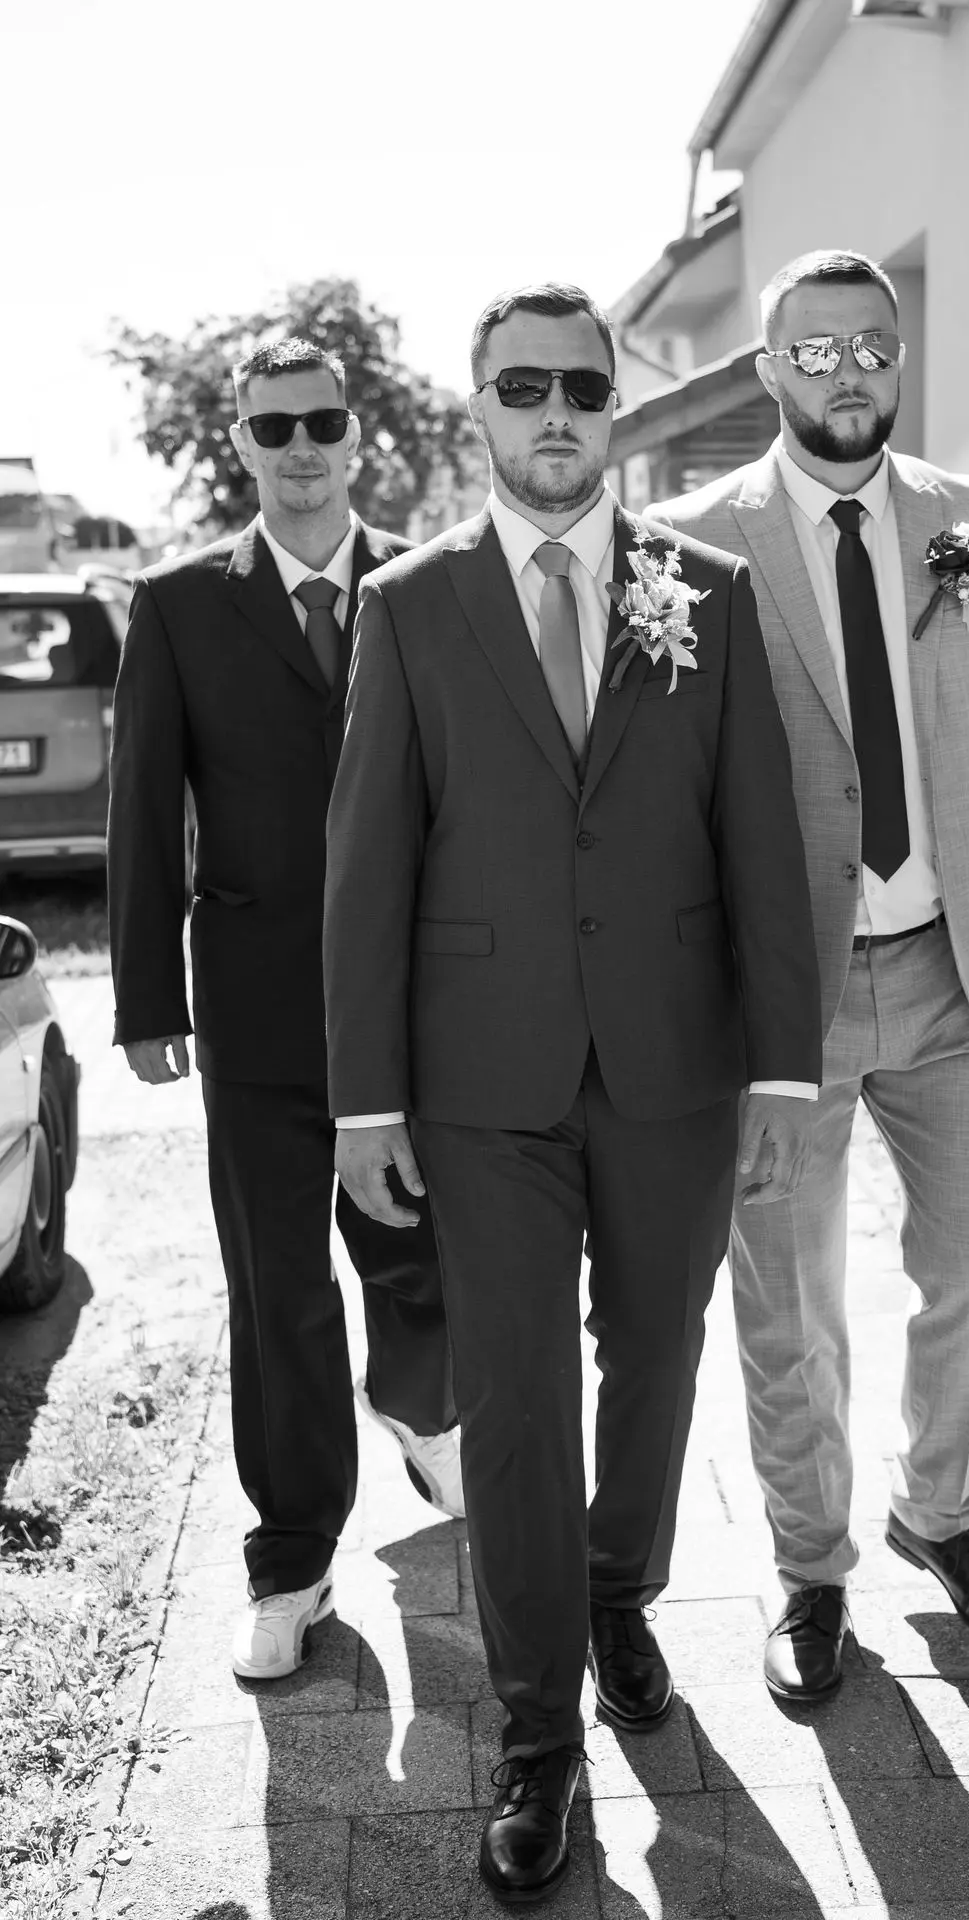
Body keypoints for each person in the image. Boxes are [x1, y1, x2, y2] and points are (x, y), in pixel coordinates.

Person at [324, 283, 822, 1904]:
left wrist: (781, 1068)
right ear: (476, 407)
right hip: (480, 1075)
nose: (555, 414)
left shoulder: (709, 594)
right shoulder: (408, 604)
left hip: (674, 1063)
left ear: (613, 407)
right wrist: (366, 1102)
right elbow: (366, 864)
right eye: (522, 387)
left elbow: (762, 839)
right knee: (520, 1393)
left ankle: (621, 1593)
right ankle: (538, 1734)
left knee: (658, 1355)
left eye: (581, 389)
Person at [653, 249, 969, 1705]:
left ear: (897, 360)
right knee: (787, 1300)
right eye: (813, 349)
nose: (844, 371)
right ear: (767, 368)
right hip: (776, 997)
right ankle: (808, 1568)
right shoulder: (686, 545)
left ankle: (939, 1512)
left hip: (954, 971)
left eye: (868, 346)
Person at [108, 338, 462, 1686]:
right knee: (280, 1294)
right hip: (254, 1009)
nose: (301, 446)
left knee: (421, 1254)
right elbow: (144, 807)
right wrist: (147, 995)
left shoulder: (432, 583)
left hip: (414, 1002)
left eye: (322, 422)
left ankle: (420, 1401)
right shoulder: (178, 605)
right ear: (242, 445)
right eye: (274, 427)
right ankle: (292, 1560)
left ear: (355, 436)